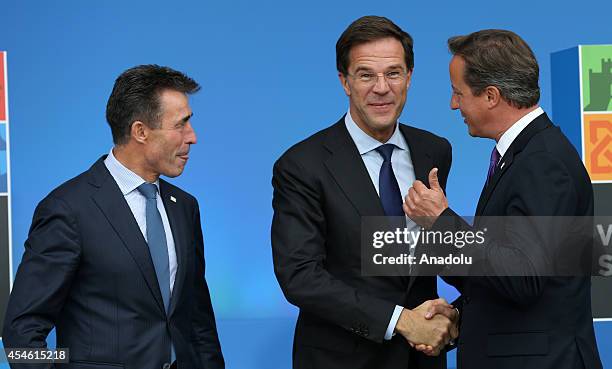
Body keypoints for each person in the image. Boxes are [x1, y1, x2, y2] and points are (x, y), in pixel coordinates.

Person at [2, 65, 225, 369]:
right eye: (181, 124)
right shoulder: (68, 209)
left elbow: (198, 320)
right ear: (140, 131)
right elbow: (20, 336)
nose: (193, 137)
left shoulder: (184, 206)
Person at [404, 30, 603, 369]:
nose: (454, 104)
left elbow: (522, 279)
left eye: (458, 93)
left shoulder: (542, 163)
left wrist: (442, 222)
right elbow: (517, 274)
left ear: (492, 96)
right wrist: (459, 314)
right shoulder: (523, 156)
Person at [271, 15, 457, 369]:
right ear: (345, 82)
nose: (381, 87)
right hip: (342, 359)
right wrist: (401, 320)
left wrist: (449, 313)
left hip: (423, 360)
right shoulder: (302, 164)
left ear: (410, 78)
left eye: (393, 73)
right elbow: (300, 276)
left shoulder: (435, 150)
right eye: (366, 74)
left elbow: (425, 254)